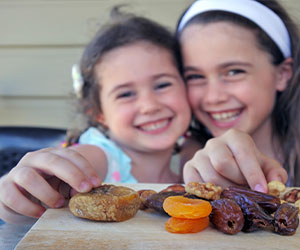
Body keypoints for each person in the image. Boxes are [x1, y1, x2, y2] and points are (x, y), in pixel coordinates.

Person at [0, 8, 193, 223]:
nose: (149, 105)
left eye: (163, 84)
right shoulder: (101, 157)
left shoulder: (190, 158)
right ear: (99, 113)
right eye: (125, 94)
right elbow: (69, 165)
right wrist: (19, 191)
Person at [176, 0, 300, 192]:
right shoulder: (176, 162)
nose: (213, 97)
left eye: (234, 72)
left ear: (282, 74)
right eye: (195, 76)